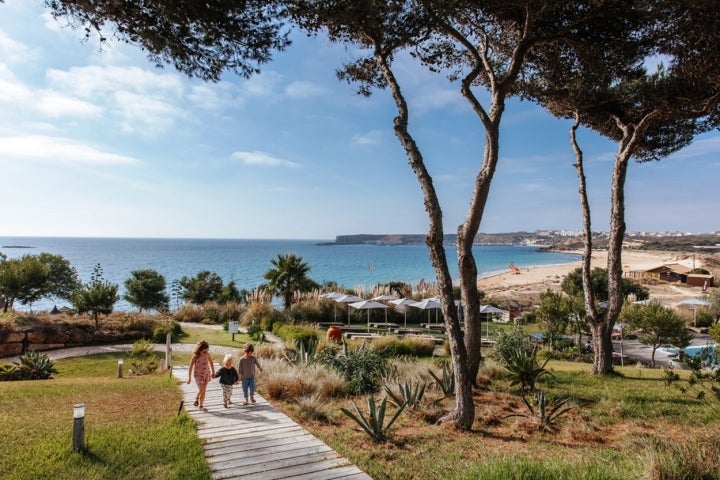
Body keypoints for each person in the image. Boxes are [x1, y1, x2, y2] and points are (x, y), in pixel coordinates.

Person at [187, 340, 215, 411]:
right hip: (198, 375)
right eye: (204, 351)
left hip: (206, 374)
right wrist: (189, 378)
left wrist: (213, 372)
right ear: (199, 350)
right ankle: (196, 397)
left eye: (207, 351)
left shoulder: (207, 355)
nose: (206, 353)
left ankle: (201, 406)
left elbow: (211, 363)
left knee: (204, 391)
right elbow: (190, 367)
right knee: (201, 389)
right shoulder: (195, 357)